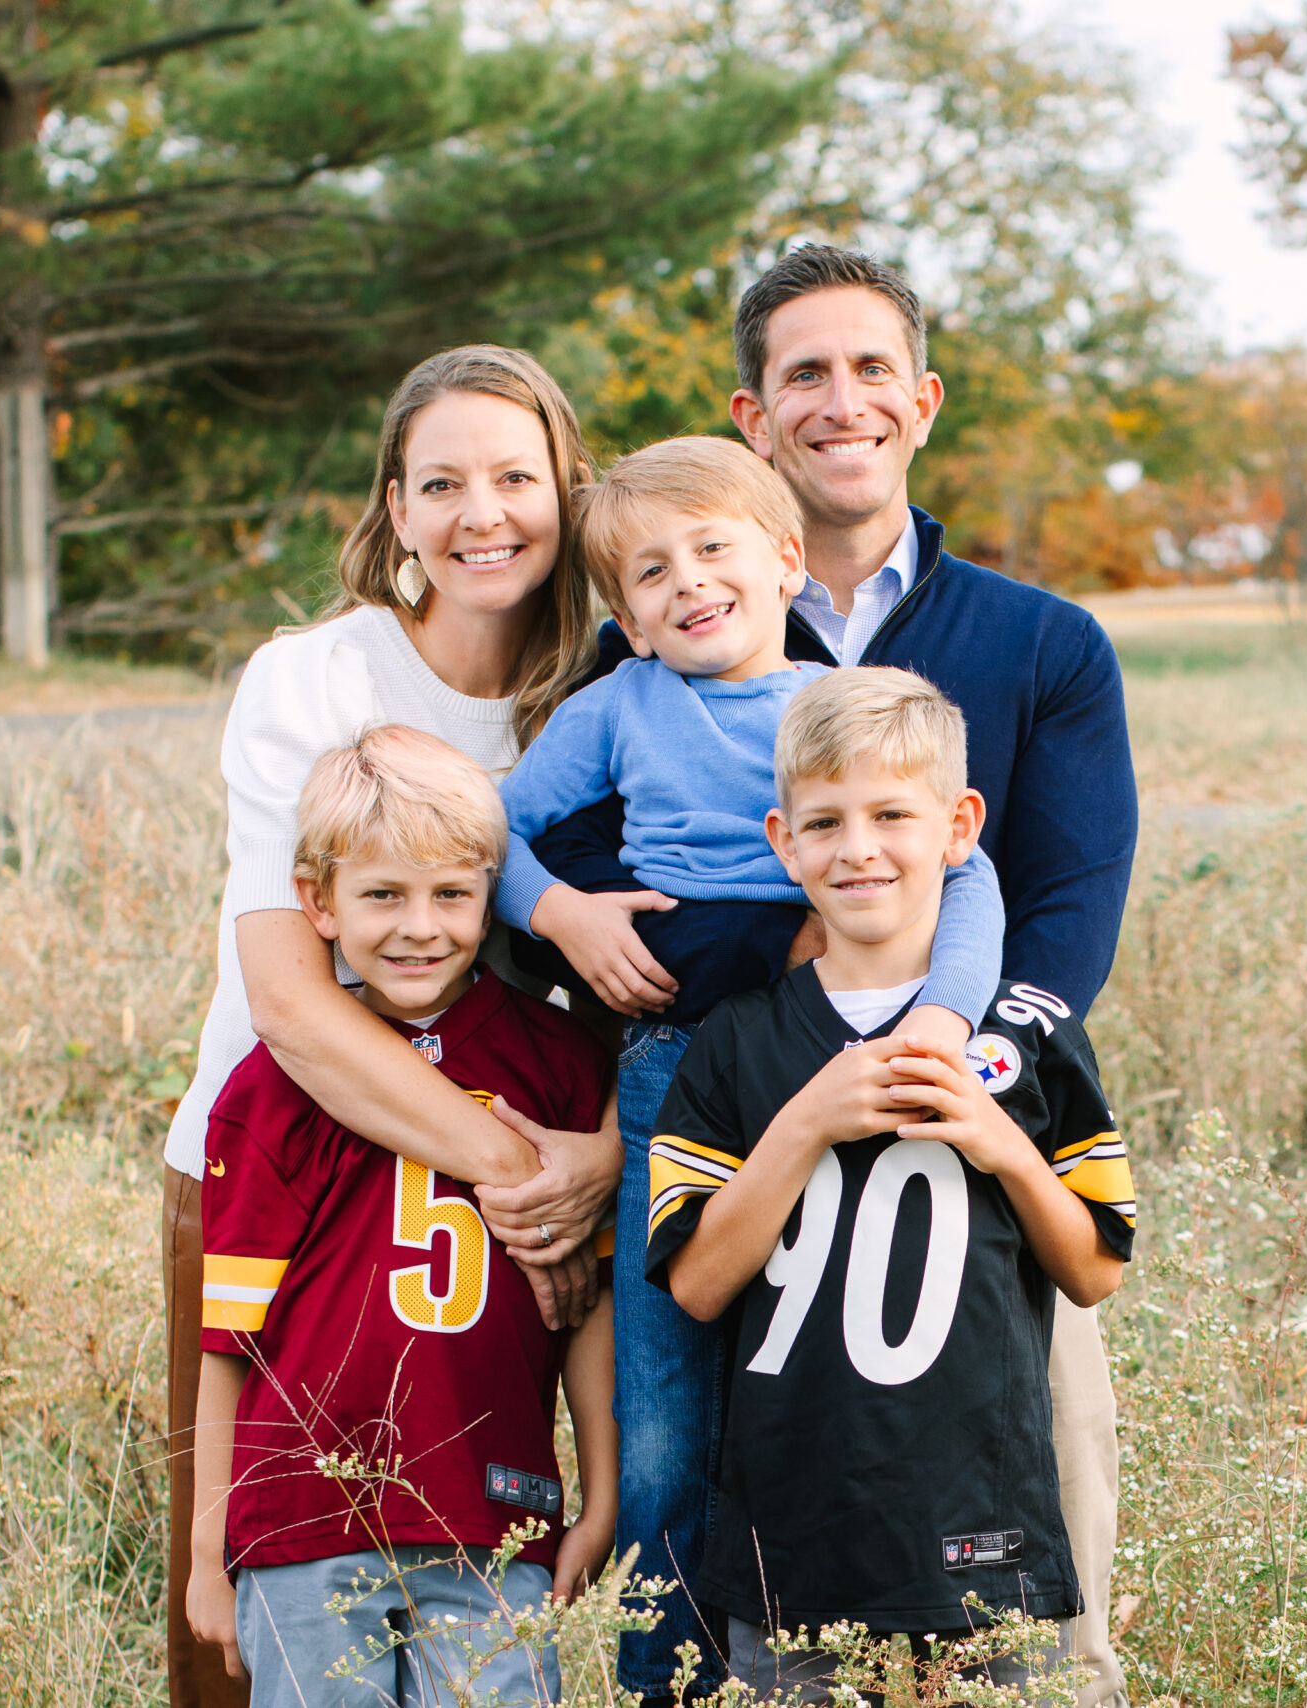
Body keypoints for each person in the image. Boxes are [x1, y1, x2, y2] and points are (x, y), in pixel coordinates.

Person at [526, 248, 1140, 1707]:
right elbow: (606, 889)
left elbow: (1066, 896)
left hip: (957, 1108)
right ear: (754, 417)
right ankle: (703, 1683)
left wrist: (968, 1055)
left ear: (922, 401)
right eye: (804, 373)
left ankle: (1050, 1678)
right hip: (727, 1100)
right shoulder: (670, 638)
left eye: (871, 369)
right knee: (714, 1436)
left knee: (1023, 1438)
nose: (840, 401)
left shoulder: (1037, 640)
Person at [496, 436, 1007, 1678]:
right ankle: (669, 1672)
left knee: (819, 1377)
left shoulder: (834, 708)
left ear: (785, 559)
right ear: (624, 615)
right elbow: (488, 830)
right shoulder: (616, 707)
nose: (685, 584)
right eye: (649, 574)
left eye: (711, 549)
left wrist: (942, 1018)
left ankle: (839, 1649)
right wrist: (561, 912)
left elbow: (970, 868)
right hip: (671, 1064)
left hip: (829, 1052)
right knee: (664, 1397)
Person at [163, 347, 627, 1708]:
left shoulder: (605, 697)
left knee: (474, 1581)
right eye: (442, 483)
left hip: (513, 1200)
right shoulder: (314, 681)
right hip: (284, 1163)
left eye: (514, 477)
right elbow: (294, 1011)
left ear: (567, 493)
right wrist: (534, 1171)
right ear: (396, 508)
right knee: (254, 1620)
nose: (482, 513)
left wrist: (602, 1166)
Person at [645, 669, 1135, 1695]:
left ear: (957, 827)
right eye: (824, 820)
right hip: (795, 1521)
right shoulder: (736, 1040)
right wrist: (806, 1122)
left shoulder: (1024, 1036)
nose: (856, 846)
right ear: (784, 840)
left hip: (980, 1512)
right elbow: (694, 1285)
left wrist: (1000, 1144)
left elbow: (1094, 1271)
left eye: (891, 814)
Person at [186, 727, 618, 1706]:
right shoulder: (273, 1088)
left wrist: (600, 1488)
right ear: (319, 903)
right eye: (383, 894)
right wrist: (207, 1549)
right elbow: (227, 1342)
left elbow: (584, 1303)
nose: (418, 927)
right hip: (303, 1521)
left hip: (495, 1517)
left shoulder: (558, 1060)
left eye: (450, 895)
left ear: (490, 895)